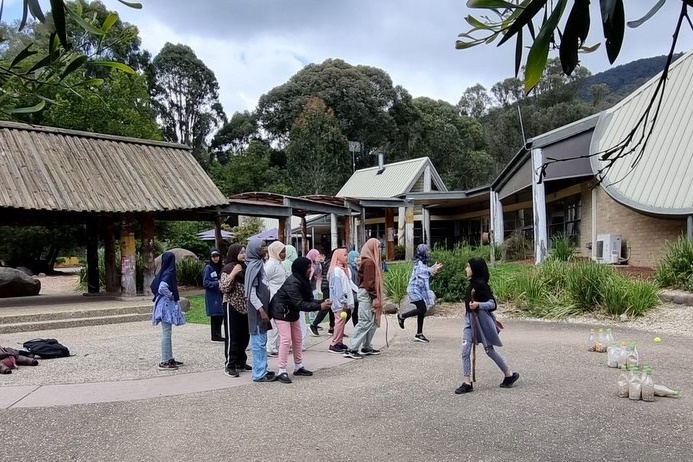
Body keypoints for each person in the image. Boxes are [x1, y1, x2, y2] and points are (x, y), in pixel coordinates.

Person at [456, 257, 519, 394]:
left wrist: (479, 305)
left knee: (489, 350)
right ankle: (467, 382)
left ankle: (509, 374)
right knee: (465, 350)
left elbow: (492, 304)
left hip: (480, 322)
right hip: (469, 321)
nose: (466, 269)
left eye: (468, 267)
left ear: (475, 269)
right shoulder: (472, 283)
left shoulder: (481, 284)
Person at [270, 257, 332, 383]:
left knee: (297, 338)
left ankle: (298, 366)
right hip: (280, 311)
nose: (311, 269)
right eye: (308, 267)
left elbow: (307, 299)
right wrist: (320, 306)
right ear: (302, 268)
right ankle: (282, 370)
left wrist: (321, 302)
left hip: (291, 312)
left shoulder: (303, 280)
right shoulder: (293, 282)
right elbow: (299, 303)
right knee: (286, 339)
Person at [343, 238, 383, 359]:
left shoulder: (370, 261)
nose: (380, 249)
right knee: (365, 321)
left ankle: (367, 346)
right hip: (367, 294)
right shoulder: (369, 262)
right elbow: (369, 283)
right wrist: (375, 297)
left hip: (368, 293)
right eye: (378, 247)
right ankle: (352, 348)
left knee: (372, 322)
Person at [245, 238, 277, 383]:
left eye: (265, 246)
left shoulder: (259, 264)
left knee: (262, 340)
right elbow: (251, 293)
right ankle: (258, 373)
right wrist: (262, 310)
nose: (265, 249)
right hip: (258, 312)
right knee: (258, 342)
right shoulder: (253, 267)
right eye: (262, 247)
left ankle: (262, 368)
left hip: (263, 309)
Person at [398, 244, 442, 343]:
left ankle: (419, 334)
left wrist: (433, 268)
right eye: (427, 251)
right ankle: (402, 316)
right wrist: (432, 269)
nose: (429, 253)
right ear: (423, 252)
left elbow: (425, 273)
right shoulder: (418, 263)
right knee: (423, 309)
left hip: (418, 290)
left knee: (421, 311)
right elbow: (422, 272)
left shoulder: (423, 263)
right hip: (414, 290)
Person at [219, 244, 251, 378]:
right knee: (232, 336)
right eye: (241, 252)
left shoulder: (246, 268)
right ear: (234, 253)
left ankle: (240, 361)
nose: (244, 254)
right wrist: (233, 274)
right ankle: (230, 365)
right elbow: (224, 287)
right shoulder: (228, 268)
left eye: (245, 252)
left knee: (244, 336)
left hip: (245, 307)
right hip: (231, 305)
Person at [151, 251, 186, 370]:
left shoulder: (162, 272)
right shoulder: (169, 273)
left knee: (168, 332)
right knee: (166, 332)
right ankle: (165, 360)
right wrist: (171, 295)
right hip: (165, 306)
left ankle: (169, 357)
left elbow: (154, 286)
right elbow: (162, 288)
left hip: (162, 305)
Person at [327, 248, 355, 353]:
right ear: (338, 256)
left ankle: (339, 342)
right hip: (339, 303)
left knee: (341, 322)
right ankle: (334, 344)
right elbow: (338, 289)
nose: (346, 257)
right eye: (344, 255)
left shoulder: (343, 269)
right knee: (339, 322)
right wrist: (343, 301)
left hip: (343, 302)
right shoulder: (336, 271)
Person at [265, 241, 287, 357]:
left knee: (279, 323)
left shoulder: (279, 264)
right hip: (273, 297)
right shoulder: (270, 265)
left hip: (281, 298)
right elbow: (264, 280)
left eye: (284, 252)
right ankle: (270, 347)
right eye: (282, 252)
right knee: (274, 324)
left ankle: (276, 345)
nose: (284, 254)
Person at [282, 244, 306, 350]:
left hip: (285, 296)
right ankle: (299, 342)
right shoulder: (297, 265)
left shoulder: (281, 264)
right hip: (297, 296)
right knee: (299, 320)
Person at [308, 249, 336, 336]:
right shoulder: (330, 263)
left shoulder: (329, 262)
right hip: (327, 286)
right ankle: (314, 324)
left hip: (330, 287)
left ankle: (332, 327)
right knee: (326, 306)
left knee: (332, 307)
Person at [203, 249, 225, 342]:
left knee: (220, 314)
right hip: (213, 294)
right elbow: (205, 282)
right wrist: (217, 283)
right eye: (213, 256)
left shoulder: (221, 267)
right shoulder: (208, 267)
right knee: (215, 315)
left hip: (221, 293)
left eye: (217, 256)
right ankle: (215, 335)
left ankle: (218, 334)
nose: (215, 258)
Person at [347, 250, 360, 328]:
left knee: (355, 312)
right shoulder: (349, 268)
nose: (358, 258)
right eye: (356, 257)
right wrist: (358, 290)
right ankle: (337, 328)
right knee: (350, 313)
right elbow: (350, 282)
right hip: (352, 293)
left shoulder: (356, 267)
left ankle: (356, 327)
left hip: (356, 294)